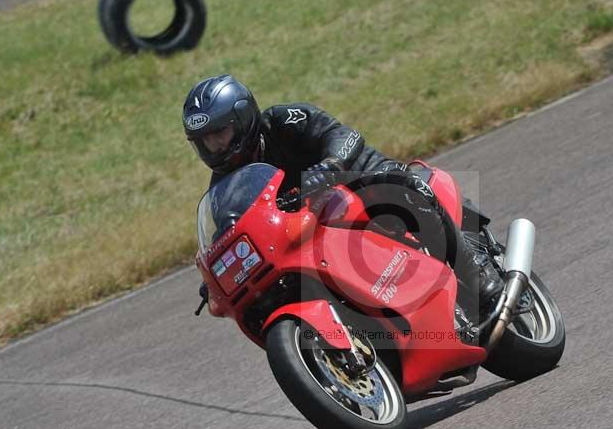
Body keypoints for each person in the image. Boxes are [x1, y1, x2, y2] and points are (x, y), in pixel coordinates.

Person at [183, 74, 501, 320]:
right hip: (317, 226)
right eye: (204, 142)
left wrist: (330, 165)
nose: (214, 148)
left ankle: (475, 274)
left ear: (242, 119)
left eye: (218, 135)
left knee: (403, 187)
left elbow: (345, 135)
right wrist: (218, 274)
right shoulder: (225, 187)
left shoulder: (284, 121)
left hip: (360, 181)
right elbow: (233, 233)